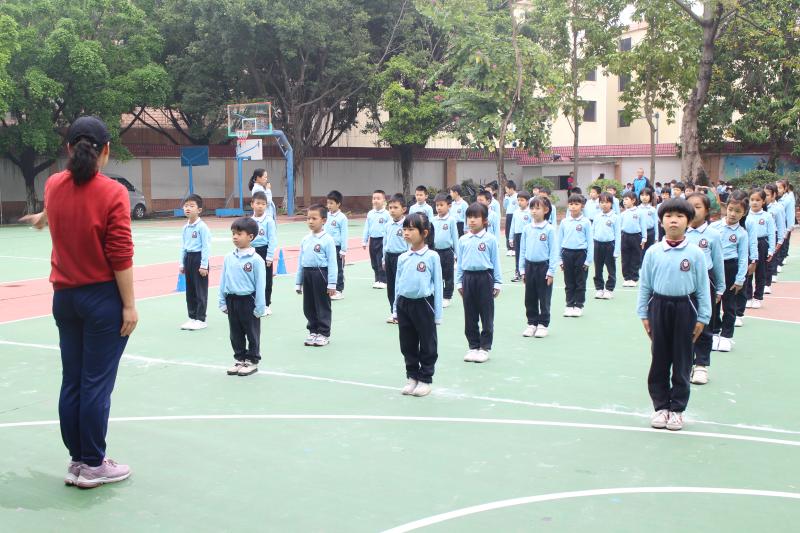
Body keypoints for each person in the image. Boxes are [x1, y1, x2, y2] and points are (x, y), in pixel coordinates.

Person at [22, 115, 137, 488]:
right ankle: (93, 464)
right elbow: (120, 254)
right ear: (106, 150)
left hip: (65, 299)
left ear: (69, 148)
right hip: (101, 298)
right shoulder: (113, 192)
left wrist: (42, 218)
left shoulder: (54, 184)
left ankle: (78, 460)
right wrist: (129, 305)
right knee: (96, 384)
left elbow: (59, 205)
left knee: (73, 380)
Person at [638, 198, 710, 431]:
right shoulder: (653, 252)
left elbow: (703, 288)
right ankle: (661, 407)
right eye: (668, 216)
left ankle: (677, 409)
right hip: (658, 307)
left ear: (688, 221)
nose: (674, 220)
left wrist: (703, 318)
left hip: (685, 308)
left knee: (682, 360)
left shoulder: (695, 253)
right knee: (659, 359)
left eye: (680, 216)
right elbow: (645, 285)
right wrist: (644, 313)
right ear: (661, 221)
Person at [393, 213, 443, 397]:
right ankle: (412, 376)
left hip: (424, 304)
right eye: (404, 229)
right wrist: (395, 309)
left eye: (411, 229)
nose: (406, 233)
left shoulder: (432, 257)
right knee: (407, 343)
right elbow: (398, 284)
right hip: (404, 304)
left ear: (424, 233)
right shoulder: (402, 257)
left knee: (428, 343)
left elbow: (438, 285)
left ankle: (425, 379)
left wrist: (438, 314)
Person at [685, 193, 725, 385]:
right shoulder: (680, 232)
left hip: (705, 281)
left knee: (704, 324)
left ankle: (701, 365)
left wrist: (720, 288)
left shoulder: (713, 235)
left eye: (698, 206)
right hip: (683, 282)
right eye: (689, 206)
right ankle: (684, 363)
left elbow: (718, 262)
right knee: (683, 325)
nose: (693, 210)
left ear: (707, 211)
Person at [219, 217, 267, 377]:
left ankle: (252, 360)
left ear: (250, 237)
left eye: (239, 234)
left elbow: (260, 285)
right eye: (233, 233)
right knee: (235, 333)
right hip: (232, 300)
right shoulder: (229, 257)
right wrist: (222, 301)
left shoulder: (256, 260)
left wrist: (260, 307)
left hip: (249, 301)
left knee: (251, 332)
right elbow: (223, 280)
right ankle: (239, 358)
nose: (235, 237)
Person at [457, 202, 502, 363]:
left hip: (485, 278)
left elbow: (495, 262)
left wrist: (497, 283)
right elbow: (460, 263)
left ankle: (484, 347)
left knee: (486, 314)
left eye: (476, 217)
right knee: (470, 314)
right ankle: (473, 346)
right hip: (468, 278)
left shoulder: (490, 239)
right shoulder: (463, 239)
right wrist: (459, 282)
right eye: (469, 217)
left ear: (485, 220)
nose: (471, 220)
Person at [710, 192, 749, 352]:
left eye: (738, 211)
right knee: (713, 303)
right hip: (714, 268)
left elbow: (743, 258)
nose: (733, 214)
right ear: (725, 207)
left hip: (730, 268)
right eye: (731, 209)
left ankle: (726, 336)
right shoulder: (714, 227)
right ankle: (713, 333)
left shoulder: (742, 233)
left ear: (744, 213)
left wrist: (740, 279)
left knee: (729, 304)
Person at [295, 204, 338, 346]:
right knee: (309, 305)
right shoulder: (305, 239)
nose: (310, 221)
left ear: (323, 220)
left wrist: (332, 283)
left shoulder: (328, 240)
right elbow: (301, 262)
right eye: (308, 218)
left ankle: (323, 333)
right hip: (307, 274)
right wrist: (298, 282)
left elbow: (332, 263)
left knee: (322, 305)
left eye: (314, 218)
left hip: (321, 275)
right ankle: (313, 330)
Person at [519, 196, 559, 338]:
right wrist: (522, 269)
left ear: (546, 210)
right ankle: (532, 323)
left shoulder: (549, 229)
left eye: (537, 208)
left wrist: (551, 271)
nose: (534, 211)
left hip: (544, 267)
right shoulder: (527, 229)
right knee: (530, 297)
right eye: (532, 208)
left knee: (544, 297)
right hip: (529, 266)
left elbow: (554, 252)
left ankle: (543, 324)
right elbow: (522, 250)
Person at [179, 194, 211, 330]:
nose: (188, 208)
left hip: (199, 258)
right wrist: (182, 263)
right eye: (186, 205)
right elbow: (183, 246)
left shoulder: (202, 227)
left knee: (200, 290)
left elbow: (206, 247)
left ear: (199, 210)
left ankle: (201, 319)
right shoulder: (185, 228)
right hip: (189, 258)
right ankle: (192, 317)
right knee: (190, 290)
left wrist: (204, 265)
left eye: (192, 206)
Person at [559, 194, 593, 317]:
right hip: (567, 254)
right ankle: (569, 305)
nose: (573, 207)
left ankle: (578, 305)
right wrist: (559, 259)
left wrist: (588, 260)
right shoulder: (564, 222)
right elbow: (560, 240)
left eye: (576, 204)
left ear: (582, 206)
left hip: (581, 254)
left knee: (580, 281)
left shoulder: (586, 222)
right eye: (571, 204)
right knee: (569, 282)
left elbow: (590, 242)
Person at [744, 188, 775, 309]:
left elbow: (771, 233)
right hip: (748, 244)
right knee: (748, 271)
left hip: (762, 244)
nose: (754, 202)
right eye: (752, 199)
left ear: (763, 201)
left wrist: (771, 250)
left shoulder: (767, 216)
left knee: (760, 272)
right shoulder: (745, 216)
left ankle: (757, 297)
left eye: (758, 200)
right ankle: (748, 297)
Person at [383, 194, 410, 323]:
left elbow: (409, 244)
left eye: (395, 207)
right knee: (391, 287)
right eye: (390, 207)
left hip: (402, 257)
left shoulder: (406, 225)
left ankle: (401, 312)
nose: (392, 210)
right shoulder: (388, 225)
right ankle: (393, 312)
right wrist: (384, 259)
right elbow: (385, 243)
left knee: (401, 285)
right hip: (389, 257)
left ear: (403, 209)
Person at [250, 191, 277, 315]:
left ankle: (266, 304)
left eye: (263, 204)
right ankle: (254, 303)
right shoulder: (250, 221)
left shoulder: (269, 221)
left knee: (266, 279)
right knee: (252, 278)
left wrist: (270, 256)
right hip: (252, 251)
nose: (260, 206)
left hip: (264, 251)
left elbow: (272, 239)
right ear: (252, 204)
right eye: (258, 203)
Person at [431, 193, 459, 308]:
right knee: (436, 275)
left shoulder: (451, 220)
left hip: (447, 252)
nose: (438, 207)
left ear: (449, 206)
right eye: (437, 205)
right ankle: (437, 296)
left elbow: (455, 238)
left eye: (441, 205)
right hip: (435, 252)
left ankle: (447, 297)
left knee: (448, 276)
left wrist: (457, 255)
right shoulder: (433, 220)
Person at [592, 192, 620, 300]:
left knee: (611, 268)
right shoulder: (597, 216)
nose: (604, 204)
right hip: (597, 244)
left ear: (611, 203)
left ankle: (609, 289)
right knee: (598, 268)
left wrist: (616, 250)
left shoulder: (615, 217)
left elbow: (618, 235)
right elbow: (593, 231)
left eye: (607, 202)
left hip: (610, 245)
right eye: (602, 202)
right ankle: (599, 288)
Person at [362, 190, 389, 289]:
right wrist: (364, 240)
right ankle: (377, 279)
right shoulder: (370, 213)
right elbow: (367, 227)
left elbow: (389, 228)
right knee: (374, 262)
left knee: (380, 260)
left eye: (378, 198)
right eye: (374, 198)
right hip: (372, 240)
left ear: (384, 201)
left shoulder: (387, 214)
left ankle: (383, 280)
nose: (376, 200)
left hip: (382, 240)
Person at [324, 190, 348, 300]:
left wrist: (343, 249)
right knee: (327, 267)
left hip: (337, 247)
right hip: (326, 246)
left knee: (338, 269)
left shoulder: (342, 218)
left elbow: (344, 234)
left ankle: (338, 289)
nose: (328, 205)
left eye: (331, 203)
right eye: (327, 203)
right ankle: (329, 288)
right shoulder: (326, 216)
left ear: (338, 204)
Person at [619, 191, 647, 287]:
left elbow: (643, 226)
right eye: (623, 199)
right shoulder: (623, 214)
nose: (624, 201)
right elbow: (620, 227)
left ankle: (634, 278)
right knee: (625, 258)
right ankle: (626, 278)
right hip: (625, 236)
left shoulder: (639, 212)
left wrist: (644, 238)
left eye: (626, 199)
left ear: (633, 200)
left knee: (635, 258)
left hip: (636, 237)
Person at [764, 183, 786, 291]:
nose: (765, 197)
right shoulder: (761, 207)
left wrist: (780, 241)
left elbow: (781, 226)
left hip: (774, 236)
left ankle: (767, 285)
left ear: (774, 195)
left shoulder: (778, 208)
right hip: (762, 236)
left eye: (767, 195)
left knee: (770, 260)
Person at [509, 191, 532, 282]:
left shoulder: (530, 212)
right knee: (518, 254)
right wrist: (511, 238)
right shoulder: (516, 212)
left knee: (527, 254)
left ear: (528, 201)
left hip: (527, 236)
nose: (519, 202)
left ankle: (527, 272)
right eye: (518, 200)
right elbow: (512, 225)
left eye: (522, 200)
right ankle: (518, 273)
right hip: (517, 236)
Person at [503, 180, 519, 256]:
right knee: (508, 231)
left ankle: (514, 248)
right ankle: (509, 248)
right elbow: (505, 207)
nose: (506, 191)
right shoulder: (507, 197)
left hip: (515, 215)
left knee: (514, 231)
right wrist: (506, 198)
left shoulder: (517, 196)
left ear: (511, 188)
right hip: (508, 215)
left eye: (507, 189)